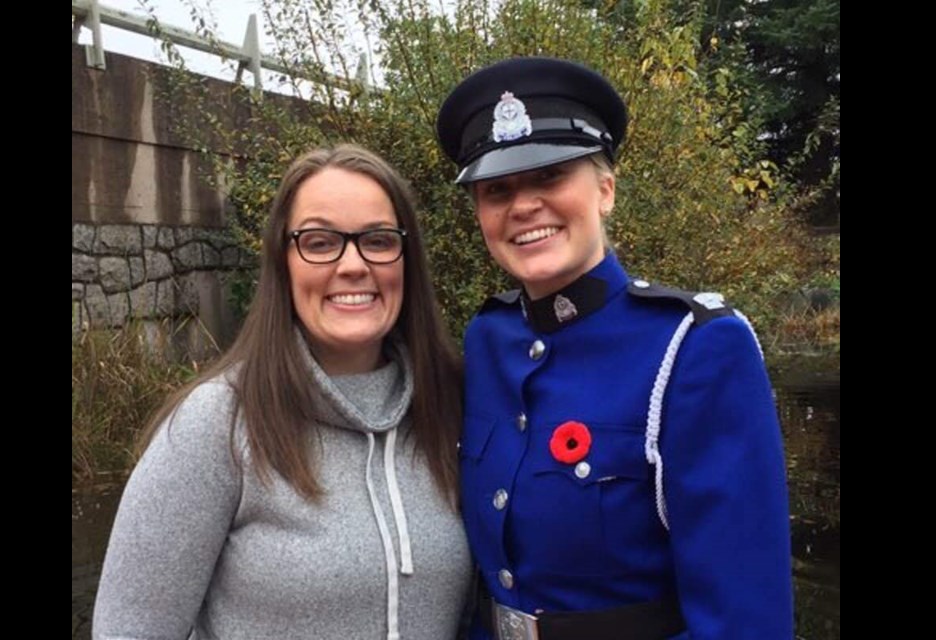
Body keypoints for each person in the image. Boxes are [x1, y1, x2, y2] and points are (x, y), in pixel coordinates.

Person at [436, 57, 793, 639]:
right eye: (497, 190)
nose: (523, 205)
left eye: (550, 176)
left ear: (605, 190)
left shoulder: (695, 348)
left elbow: (743, 618)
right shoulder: (487, 340)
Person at [93, 144, 472, 640]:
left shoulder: (454, 408)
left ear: (407, 258)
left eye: (378, 240)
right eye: (319, 242)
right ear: (283, 262)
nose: (354, 264)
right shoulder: (217, 423)